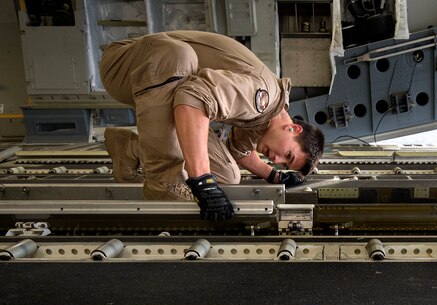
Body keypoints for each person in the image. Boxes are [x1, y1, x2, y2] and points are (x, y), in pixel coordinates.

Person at [99, 30, 325, 221]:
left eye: (284, 164)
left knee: (227, 176)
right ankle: (162, 184)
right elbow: (193, 98)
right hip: (125, 63)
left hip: (164, 83)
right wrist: (202, 181)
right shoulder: (261, 97)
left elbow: (240, 151)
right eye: (288, 155)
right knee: (178, 56)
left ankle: (129, 149)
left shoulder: (265, 118)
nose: (276, 161)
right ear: (294, 129)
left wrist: (273, 176)